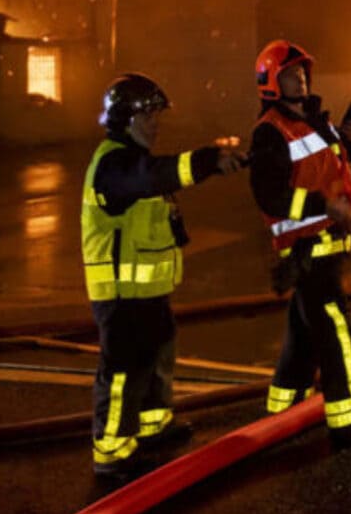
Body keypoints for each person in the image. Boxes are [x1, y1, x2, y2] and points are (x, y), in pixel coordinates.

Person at [82, 72, 246, 479]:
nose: (156, 123)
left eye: (157, 115)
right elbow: (155, 176)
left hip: (147, 292)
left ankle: (153, 425)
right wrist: (208, 160)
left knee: (157, 354)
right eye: (147, 115)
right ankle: (112, 449)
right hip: (121, 295)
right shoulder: (112, 165)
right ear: (124, 119)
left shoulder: (132, 162)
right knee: (123, 370)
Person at [248, 39, 351, 448]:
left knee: (305, 328)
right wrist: (321, 204)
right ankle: (350, 416)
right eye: (292, 74)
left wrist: (349, 138)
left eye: (304, 73)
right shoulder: (269, 133)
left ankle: (284, 405)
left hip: (326, 242)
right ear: (272, 81)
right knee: (334, 324)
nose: (302, 80)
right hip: (305, 248)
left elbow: (333, 166)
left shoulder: (311, 120)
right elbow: (270, 196)